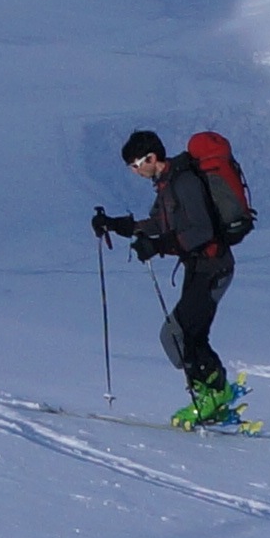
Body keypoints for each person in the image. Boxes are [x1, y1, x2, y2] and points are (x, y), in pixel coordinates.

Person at [94, 131, 246, 429]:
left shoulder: (184, 182)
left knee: (180, 335)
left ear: (151, 158)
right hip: (200, 268)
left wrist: (159, 246)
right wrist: (113, 225)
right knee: (187, 335)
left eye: (135, 165)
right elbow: (156, 225)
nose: (134, 172)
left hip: (213, 268)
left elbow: (202, 232)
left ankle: (215, 394)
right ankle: (212, 394)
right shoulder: (166, 185)